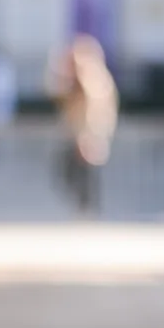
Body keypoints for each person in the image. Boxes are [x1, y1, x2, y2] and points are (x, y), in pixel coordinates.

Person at [50, 33, 117, 216]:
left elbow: (97, 110)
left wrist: (90, 135)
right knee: (72, 173)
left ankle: (87, 210)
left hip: (88, 135)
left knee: (84, 175)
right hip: (77, 135)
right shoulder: (75, 81)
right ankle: (84, 208)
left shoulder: (93, 80)